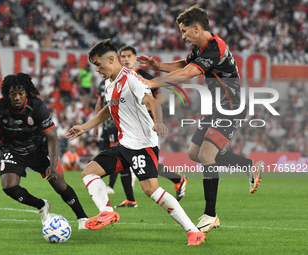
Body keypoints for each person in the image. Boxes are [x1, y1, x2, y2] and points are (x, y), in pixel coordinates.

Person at [137, 5, 265, 233]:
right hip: (217, 108)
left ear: (196, 29)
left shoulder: (215, 48)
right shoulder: (202, 47)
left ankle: (210, 214)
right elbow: (184, 65)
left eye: (185, 31)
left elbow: (187, 74)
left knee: (207, 155)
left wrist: (154, 82)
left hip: (231, 108)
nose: (183, 36)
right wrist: (158, 67)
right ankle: (248, 166)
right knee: (194, 153)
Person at [66, 39, 206, 245]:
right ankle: (106, 212)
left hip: (143, 144)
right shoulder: (108, 82)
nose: (96, 69)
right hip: (125, 145)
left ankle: (193, 231)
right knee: (89, 172)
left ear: (111, 59)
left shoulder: (131, 78)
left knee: (151, 190)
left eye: (97, 63)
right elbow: (109, 107)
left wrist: (158, 121)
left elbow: (151, 101)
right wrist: (85, 126)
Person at [0, 73, 89, 229]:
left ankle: (82, 218)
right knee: (9, 187)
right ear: (7, 94)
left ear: (27, 93)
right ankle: (41, 205)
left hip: (38, 149)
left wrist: (52, 164)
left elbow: (52, 137)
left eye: (21, 93)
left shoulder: (37, 106)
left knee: (59, 185)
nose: (17, 97)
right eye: (13, 94)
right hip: (12, 149)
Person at [113, 45, 188, 206]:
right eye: (123, 56)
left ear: (135, 58)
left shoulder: (143, 76)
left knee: (145, 163)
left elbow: (160, 100)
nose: (125, 59)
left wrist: (145, 107)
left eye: (128, 56)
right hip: (129, 127)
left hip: (145, 126)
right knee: (127, 157)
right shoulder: (119, 78)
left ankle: (177, 178)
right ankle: (131, 199)